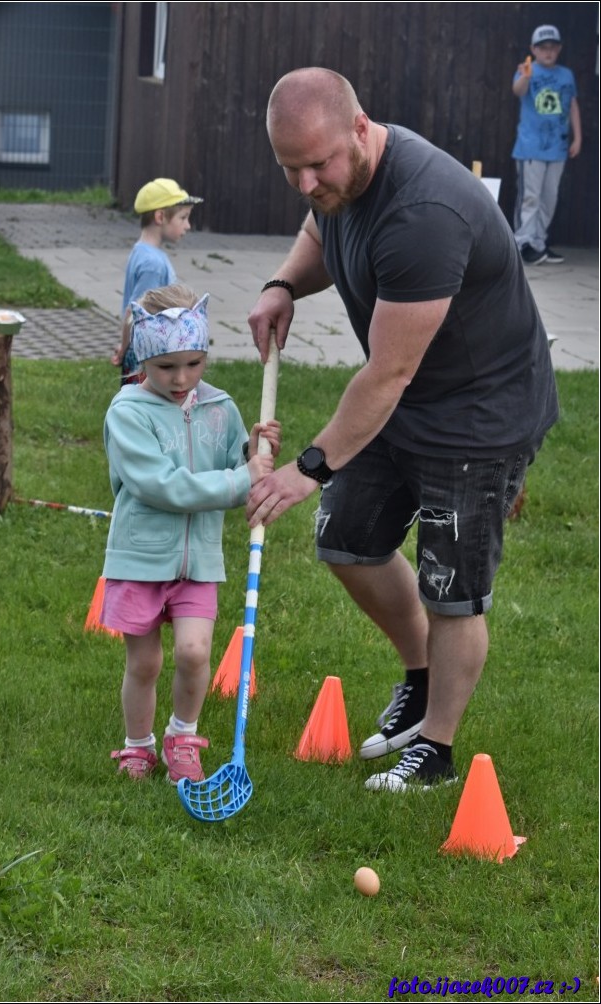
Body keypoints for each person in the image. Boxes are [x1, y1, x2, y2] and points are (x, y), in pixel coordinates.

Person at [246, 67, 558, 792]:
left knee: (451, 584)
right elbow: (318, 228)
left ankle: (437, 750)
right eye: (290, 168)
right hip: (410, 395)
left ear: (361, 128)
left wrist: (308, 468)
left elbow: (385, 376)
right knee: (347, 540)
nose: (306, 182)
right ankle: (420, 678)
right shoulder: (338, 181)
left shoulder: (423, 212)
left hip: (478, 415)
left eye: (317, 163)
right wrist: (282, 283)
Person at [103, 284, 281, 782]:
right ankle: (137, 746)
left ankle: (183, 736)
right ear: (143, 360)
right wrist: (239, 478)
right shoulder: (128, 413)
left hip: (198, 560)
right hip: (139, 557)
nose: (181, 379)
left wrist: (253, 455)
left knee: (195, 652)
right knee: (144, 664)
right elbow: (161, 486)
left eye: (194, 363)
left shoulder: (220, 408)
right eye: (166, 367)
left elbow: (238, 474)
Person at [112, 178, 203, 385]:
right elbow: (134, 312)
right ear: (160, 216)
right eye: (183, 217)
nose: (188, 225)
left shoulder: (142, 251)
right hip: (145, 356)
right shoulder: (152, 263)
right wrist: (125, 347)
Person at [511, 24, 582, 265]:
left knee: (549, 197)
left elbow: (572, 105)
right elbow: (518, 91)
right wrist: (526, 76)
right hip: (531, 148)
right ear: (533, 49)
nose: (548, 52)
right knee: (530, 196)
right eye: (543, 48)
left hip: (558, 148)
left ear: (559, 49)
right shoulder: (527, 70)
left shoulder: (566, 75)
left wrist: (578, 137)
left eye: (553, 47)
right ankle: (523, 243)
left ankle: (539, 243)